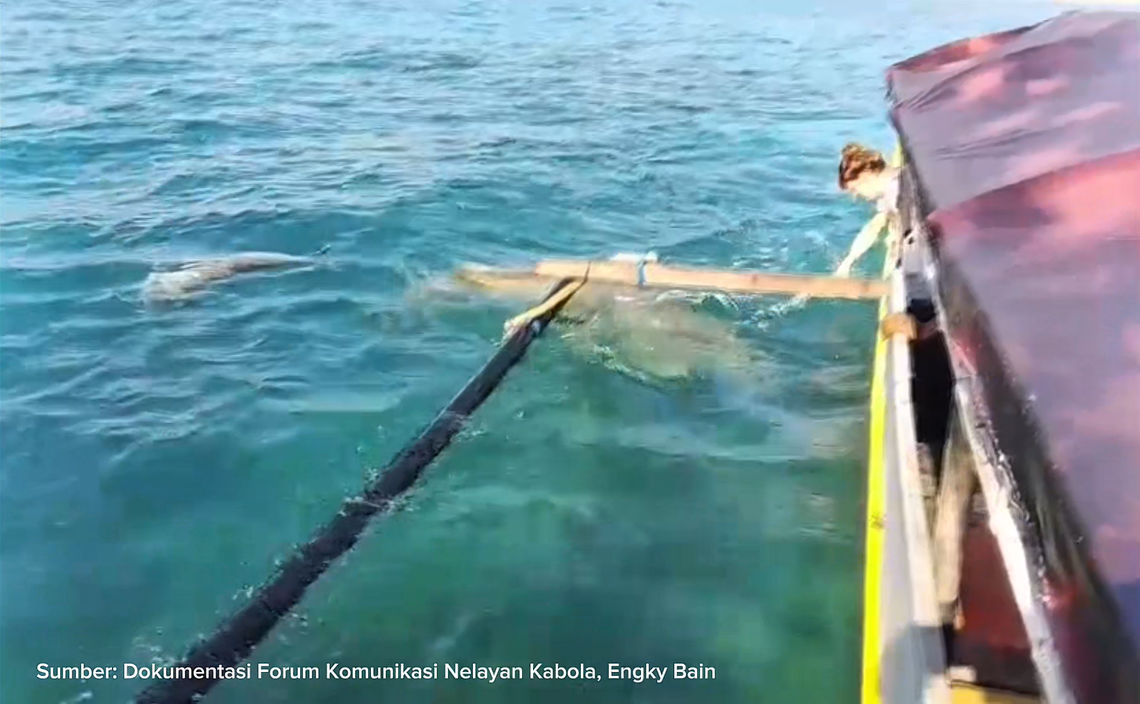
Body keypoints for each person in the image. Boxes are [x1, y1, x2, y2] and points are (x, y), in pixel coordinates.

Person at [835, 142, 902, 277]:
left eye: (855, 189)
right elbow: (875, 225)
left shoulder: (897, 191)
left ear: (866, 175)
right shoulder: (887, 190)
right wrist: (849, 261)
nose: (855, 196)